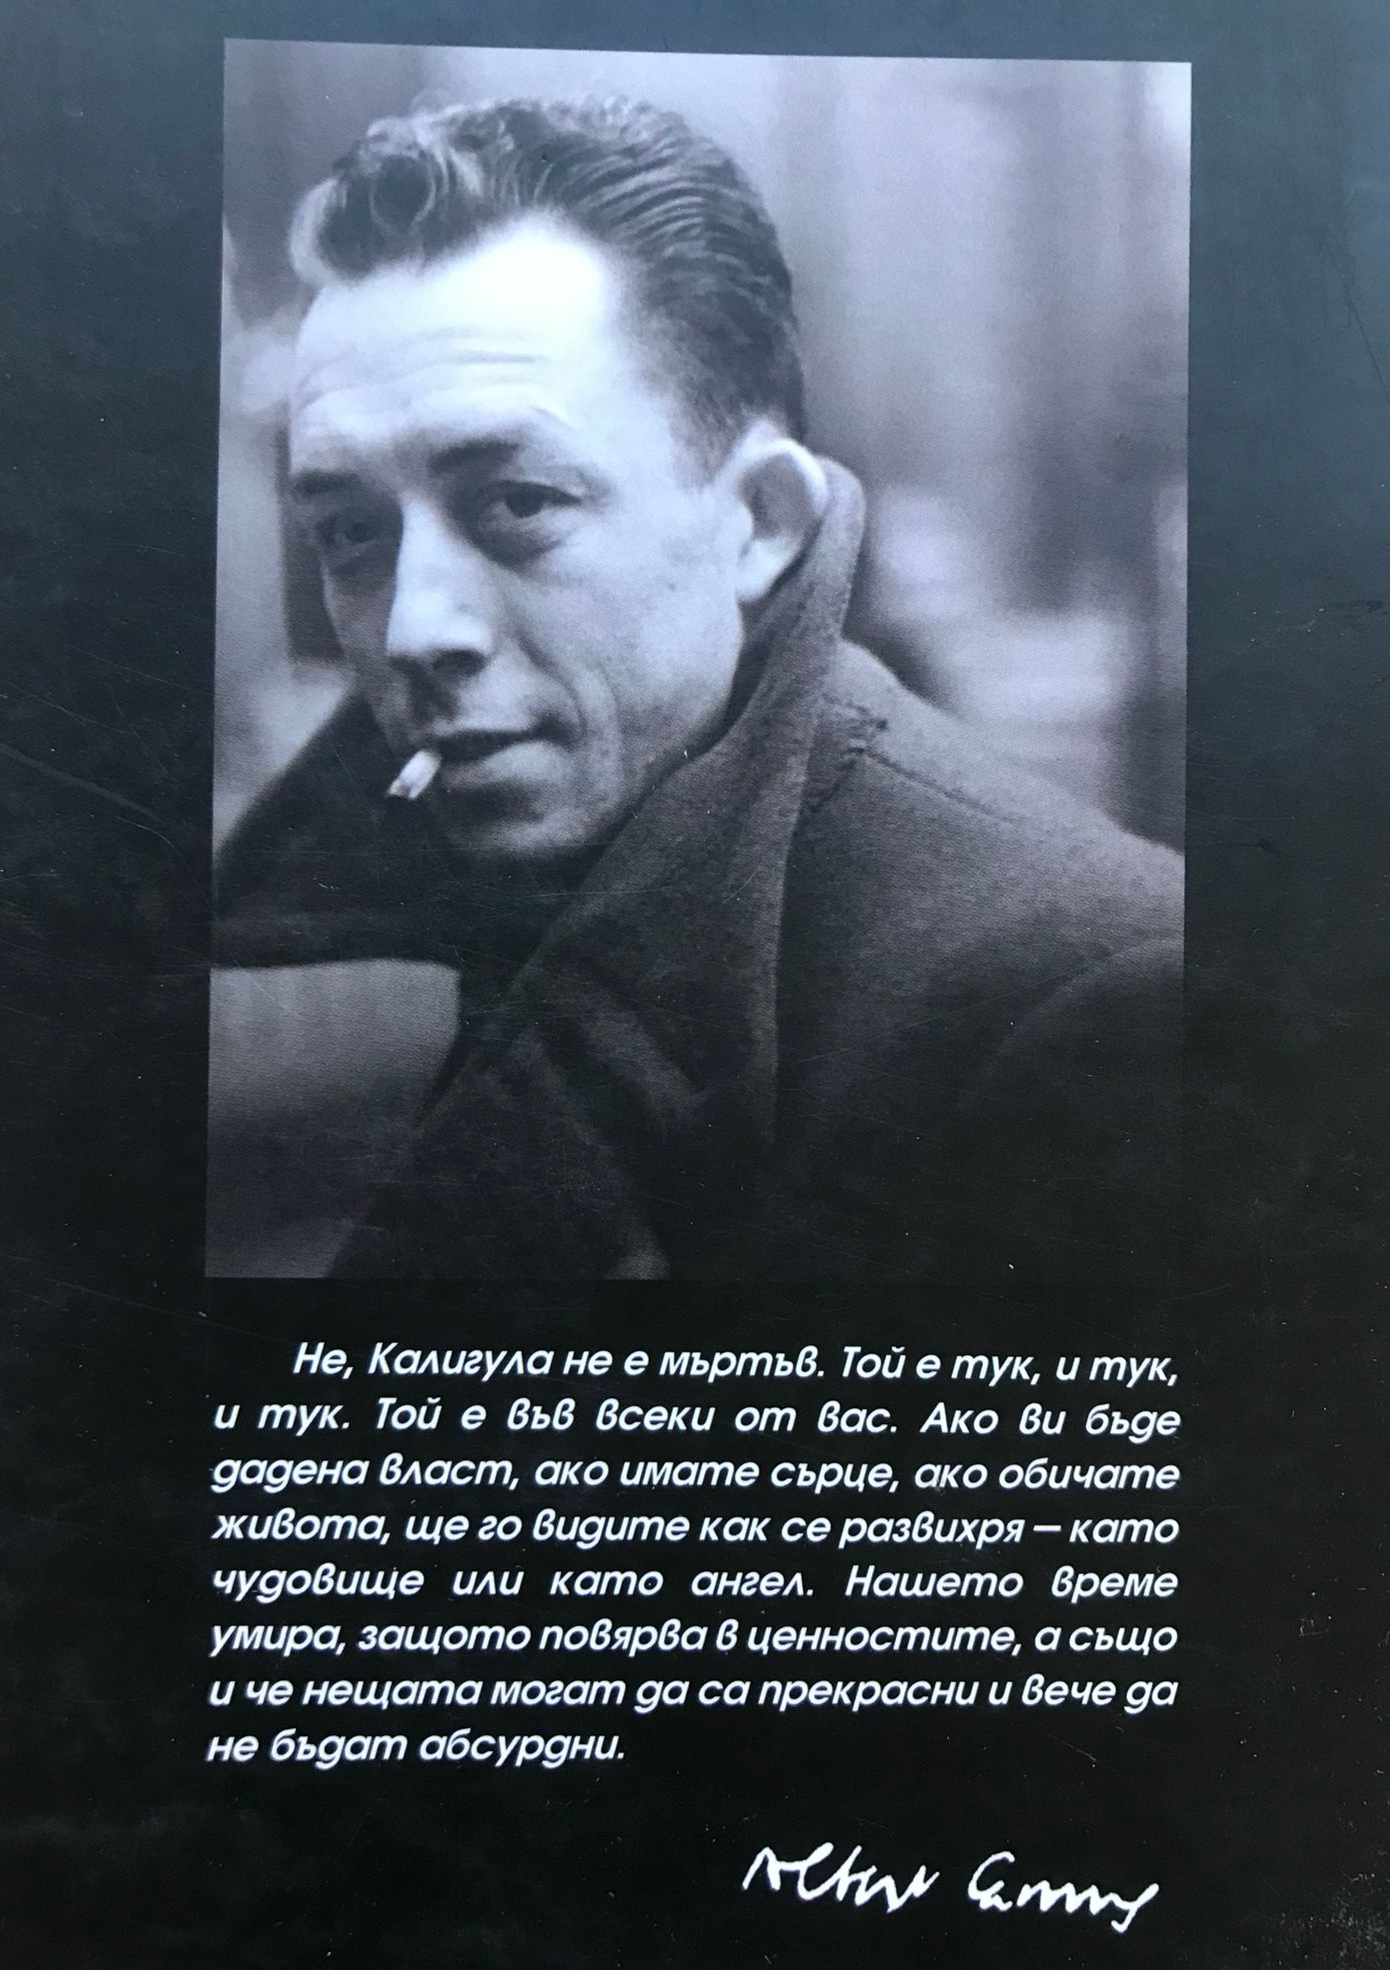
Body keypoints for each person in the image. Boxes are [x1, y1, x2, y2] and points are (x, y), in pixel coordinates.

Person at [215, 95, 1183, 1283]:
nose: (415, 626)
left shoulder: (1089, 992)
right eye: (351, 532)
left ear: (760, 523)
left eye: (517, 502)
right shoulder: (412, 900)